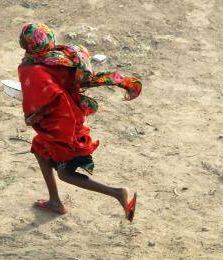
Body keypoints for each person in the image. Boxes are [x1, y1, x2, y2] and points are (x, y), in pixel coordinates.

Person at [17, 22, 142, 222]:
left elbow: (47, 97)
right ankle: (55, 201)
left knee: (65, 174)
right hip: (69, 117)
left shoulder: (31, 68)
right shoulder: (57, 57)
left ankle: (118, 192)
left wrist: (32, 116)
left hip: (60, 126)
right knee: (39, 148)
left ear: (29, 44)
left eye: (23, 39)